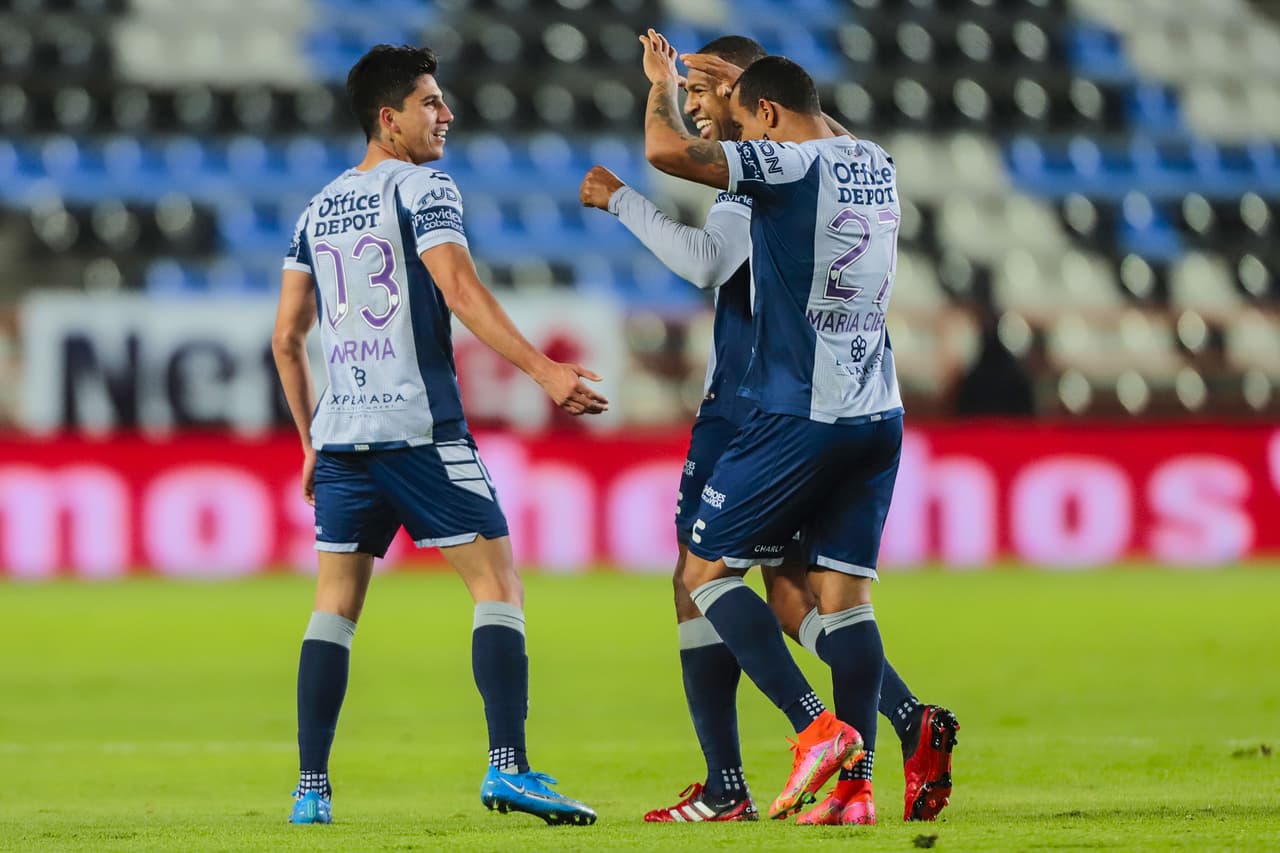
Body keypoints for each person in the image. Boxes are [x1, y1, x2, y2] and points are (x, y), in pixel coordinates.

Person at [581, 35, 958, 825]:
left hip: (775, 407)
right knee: (823, 596)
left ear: (755, 105)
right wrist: (743, 92)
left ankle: (791, 746)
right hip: (875, 409)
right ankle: (863, 779)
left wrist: (627, 173)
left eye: (712, 102)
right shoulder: (871, 157)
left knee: (702, 576)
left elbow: (704, 251)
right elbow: (823, 129)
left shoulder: (771, 166)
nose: (702, 117)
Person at [270, 44, 606, 827]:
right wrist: (544, 371)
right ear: (389, 120)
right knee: (498, 586)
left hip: (345, 435)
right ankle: (508, 768)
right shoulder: (424, 185)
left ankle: (311, 791)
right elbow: (458, 287)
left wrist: (309, 441)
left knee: (334, 607)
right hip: (418, 430)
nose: (446, 114)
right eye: (430, 103)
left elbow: (287, 337)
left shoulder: (315, 210)